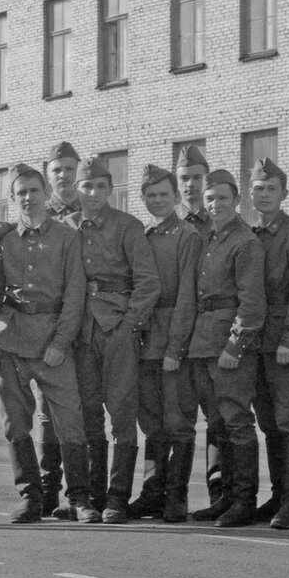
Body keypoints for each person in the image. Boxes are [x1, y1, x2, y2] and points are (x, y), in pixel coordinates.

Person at [0, 163, 99, 524]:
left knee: (69, 420)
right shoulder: (5, 240)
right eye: (21, 193)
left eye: (34, 191)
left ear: (45, 194)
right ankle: (30, 497)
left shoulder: (67, 237)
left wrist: (61, 342)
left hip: (52, 341)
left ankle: (79, 498)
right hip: (13, 342)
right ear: (13, 199)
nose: (29, 198)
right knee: (15, 423)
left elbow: (75, 295)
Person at [65, 157, 161, 523]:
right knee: (89, 412)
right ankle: (93, 495)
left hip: (116, 327)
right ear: (77, 190)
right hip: (81, 330)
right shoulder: (66, 226)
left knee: (122, 413)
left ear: (110, 190)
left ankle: (118, 496)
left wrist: (128, 323)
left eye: (101, 187)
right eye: (87, 187)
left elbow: (148, 282)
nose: (93, 193)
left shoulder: (127, 226)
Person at [188, 169, 267, 528]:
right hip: (203, 341)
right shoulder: (208, 238)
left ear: (236, 200)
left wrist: (235, 345)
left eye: (222, 198)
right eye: (209, 199)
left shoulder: (245, 242)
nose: (215, 204)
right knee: (217, 422)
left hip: (228, 344)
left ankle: (244, 501)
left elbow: (251, 303)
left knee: (237, 420)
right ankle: (224, 497)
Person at [128, 164, 200, 523]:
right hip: (145, 340)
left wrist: (176, 348)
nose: (158, 201)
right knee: (151, 422)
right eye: (151, 196)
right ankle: (152, 492)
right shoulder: (143, 234)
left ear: (175, 197)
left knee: (178, 420)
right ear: (143, 199)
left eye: (164, 195)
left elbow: (188, 295)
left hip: (173, 338)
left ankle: (177, 496)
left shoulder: (187, 235)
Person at [246, 158, 289, 530]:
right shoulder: (248, 233)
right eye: (258, 188)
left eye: (272, 188)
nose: (265, 194)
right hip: (254, 343)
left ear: (284, 193)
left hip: (284, 345)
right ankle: (277, 493)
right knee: (269, 422)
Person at [173, 143, 223, 505]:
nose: (190, 185)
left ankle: (221, 495)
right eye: (184, 178)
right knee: (176, 418)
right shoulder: (165, 226)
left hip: (210, 334)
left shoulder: (218, 224)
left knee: (219, 417)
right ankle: (171, 496)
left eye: (196, 178)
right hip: (173, 334)